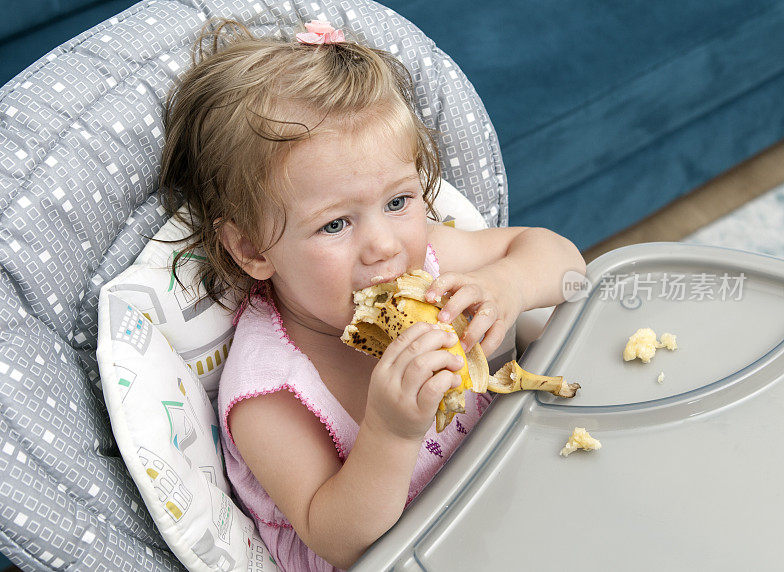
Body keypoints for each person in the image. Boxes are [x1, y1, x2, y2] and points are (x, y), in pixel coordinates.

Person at [158, 18, 586, 571]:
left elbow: (565, 263)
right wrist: (390, 432)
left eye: (398, 201)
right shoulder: (269, 392)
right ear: (251, 249)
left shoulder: (429, 259)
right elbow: (337, 538)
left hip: (508, 487)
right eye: (335, 225)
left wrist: (508, 284)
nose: (383, 245)